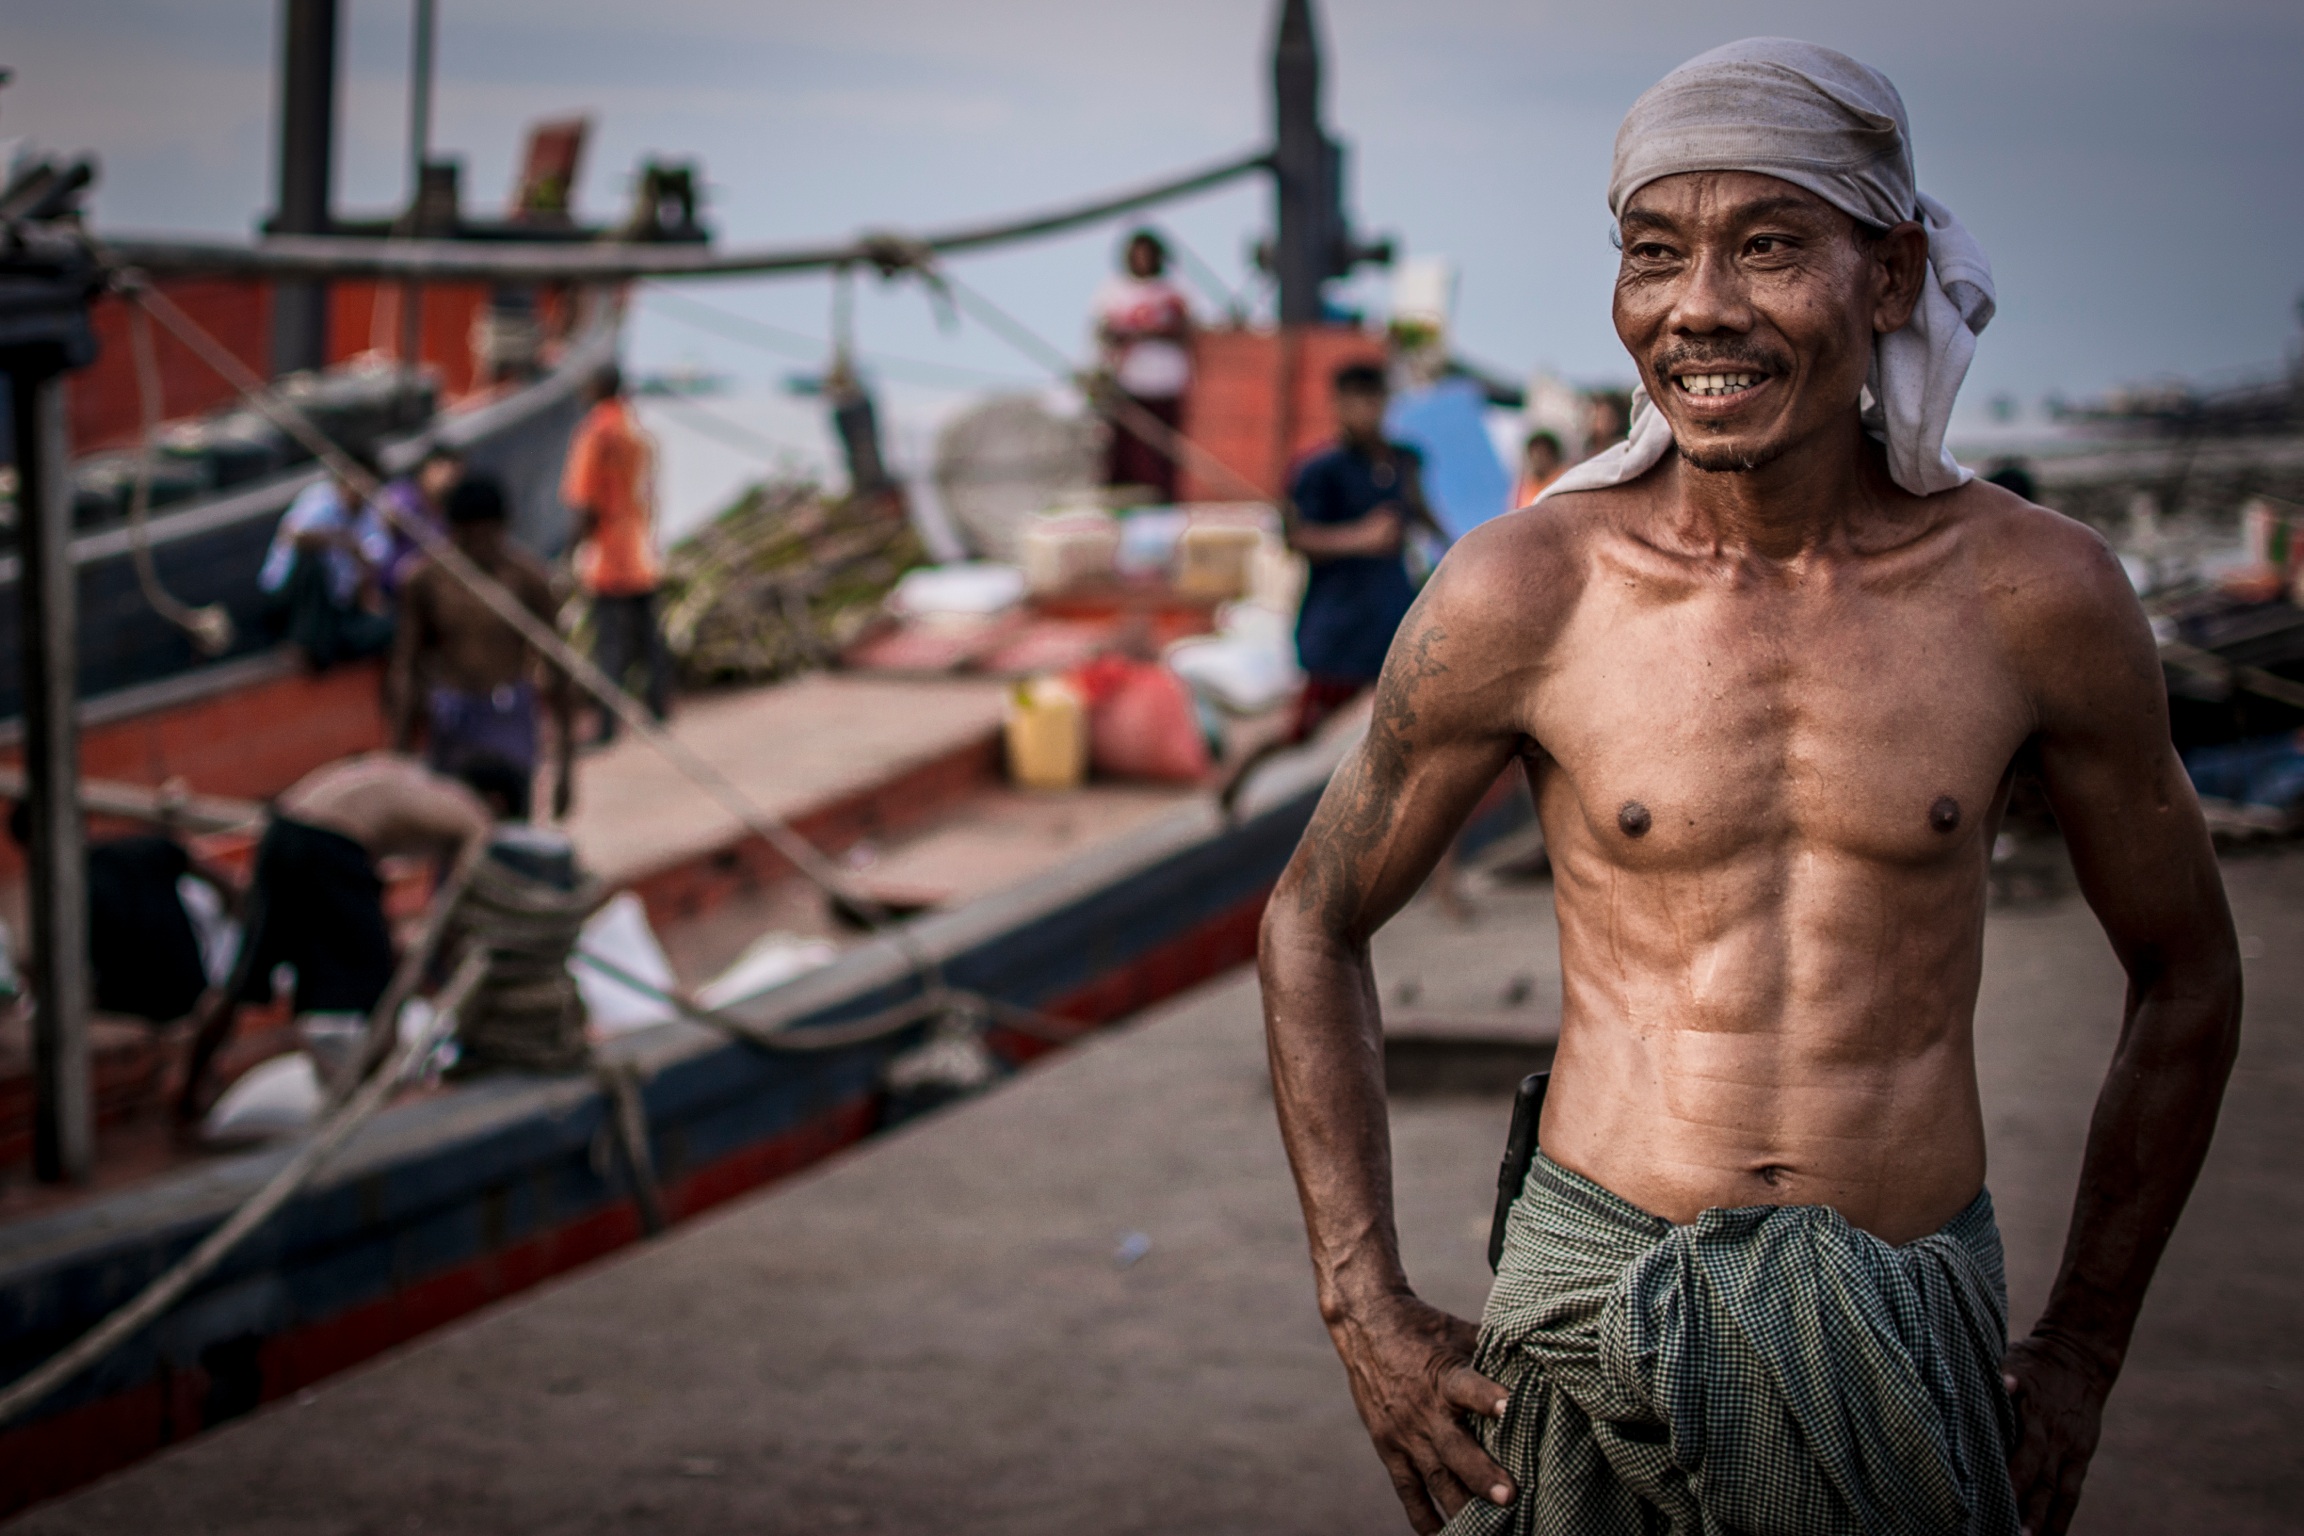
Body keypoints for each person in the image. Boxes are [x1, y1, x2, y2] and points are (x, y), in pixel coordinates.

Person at [1258, 38, 2239, 1536]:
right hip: (1594, 1320)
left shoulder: (2035, 597)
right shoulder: (1531, 590)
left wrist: (2088, 1348)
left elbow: (2186, 971)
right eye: (1654, 254)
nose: (1697, 307)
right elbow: (1311, 919)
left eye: (1770, 246)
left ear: (1894, 274)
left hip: (1905, 1328)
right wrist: (1364, 1308)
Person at [178, 754, 495, 1117]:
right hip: (334, 843)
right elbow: (462, 909)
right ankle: (383, 1107)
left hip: (283, 829)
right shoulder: (473, 816)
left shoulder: (413, 780)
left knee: (244, 978)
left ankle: (190, 1090)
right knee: (380, 992)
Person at [389, 474, 575, 823]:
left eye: (488, 534)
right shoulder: (425, 580)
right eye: (468, 536)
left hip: (510, 713)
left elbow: (559, 670)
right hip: (454, 717)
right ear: (453, 532)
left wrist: (566, 768)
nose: (479, 546)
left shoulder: (528, 580)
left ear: (502, 528)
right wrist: (400, 754)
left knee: (514, 822)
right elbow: (407, 667)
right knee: (454, 821)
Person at [1283, 361, 1439, 741]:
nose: (1364, 412)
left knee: (1408, 722)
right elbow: (1297, 539)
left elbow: (1423, 514)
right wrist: (1361, 538)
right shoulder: (1319, 470)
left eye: (1371, 401)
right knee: (1302, 733)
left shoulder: (1404, 461)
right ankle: (1234, 787)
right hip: (1339, 623)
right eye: (1354, 402)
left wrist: (1462, 551)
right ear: (1337, 406)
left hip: (1391, 614)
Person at [5, 800, 238, 1028]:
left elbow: (60, 979)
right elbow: (229, 886)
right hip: (198, 986)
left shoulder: (62, 903)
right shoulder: (145, 847)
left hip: (161, 1007)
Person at [563, 364, 671, 742]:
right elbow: (650, 489)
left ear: (597, 386)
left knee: (608, 642)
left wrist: (570, 552)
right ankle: (659, 707)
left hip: (608, 551)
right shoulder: (636, 429)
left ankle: (606, 727)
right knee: (648, 637)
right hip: (641, 547)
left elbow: (585, 502)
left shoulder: (595, 432)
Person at [258, 446, 395, 670]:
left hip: (337, 606)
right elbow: (296, 536)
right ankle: (301, 644)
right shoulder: (320, 499)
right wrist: (342, 541)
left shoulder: (373, 513)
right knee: (313, 564)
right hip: (290, 599)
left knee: (386, 626)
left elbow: (375, 558)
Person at [1094, 228, 1195, 503]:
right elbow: (1102, 332)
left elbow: (1185, 331)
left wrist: (1146, 333)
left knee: (1161, 456)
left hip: (1166, 383)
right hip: (1128, 383)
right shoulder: (1113, 292)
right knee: (1126, 455)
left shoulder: (1172, 293)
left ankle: (1163, 503)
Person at [375, 443, 463, 597]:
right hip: (391, 587)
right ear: (426, 468)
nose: (448, 477)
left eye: (454, 470)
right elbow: (387, 522)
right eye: (441, 467)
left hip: (432, 591)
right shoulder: (403, 494)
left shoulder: (452, 511)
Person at [1510, 430, 1563, 508]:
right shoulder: (1523, 487)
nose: (1538, 459)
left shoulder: (1564, 479)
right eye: (1534, 455)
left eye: (1542, 454)